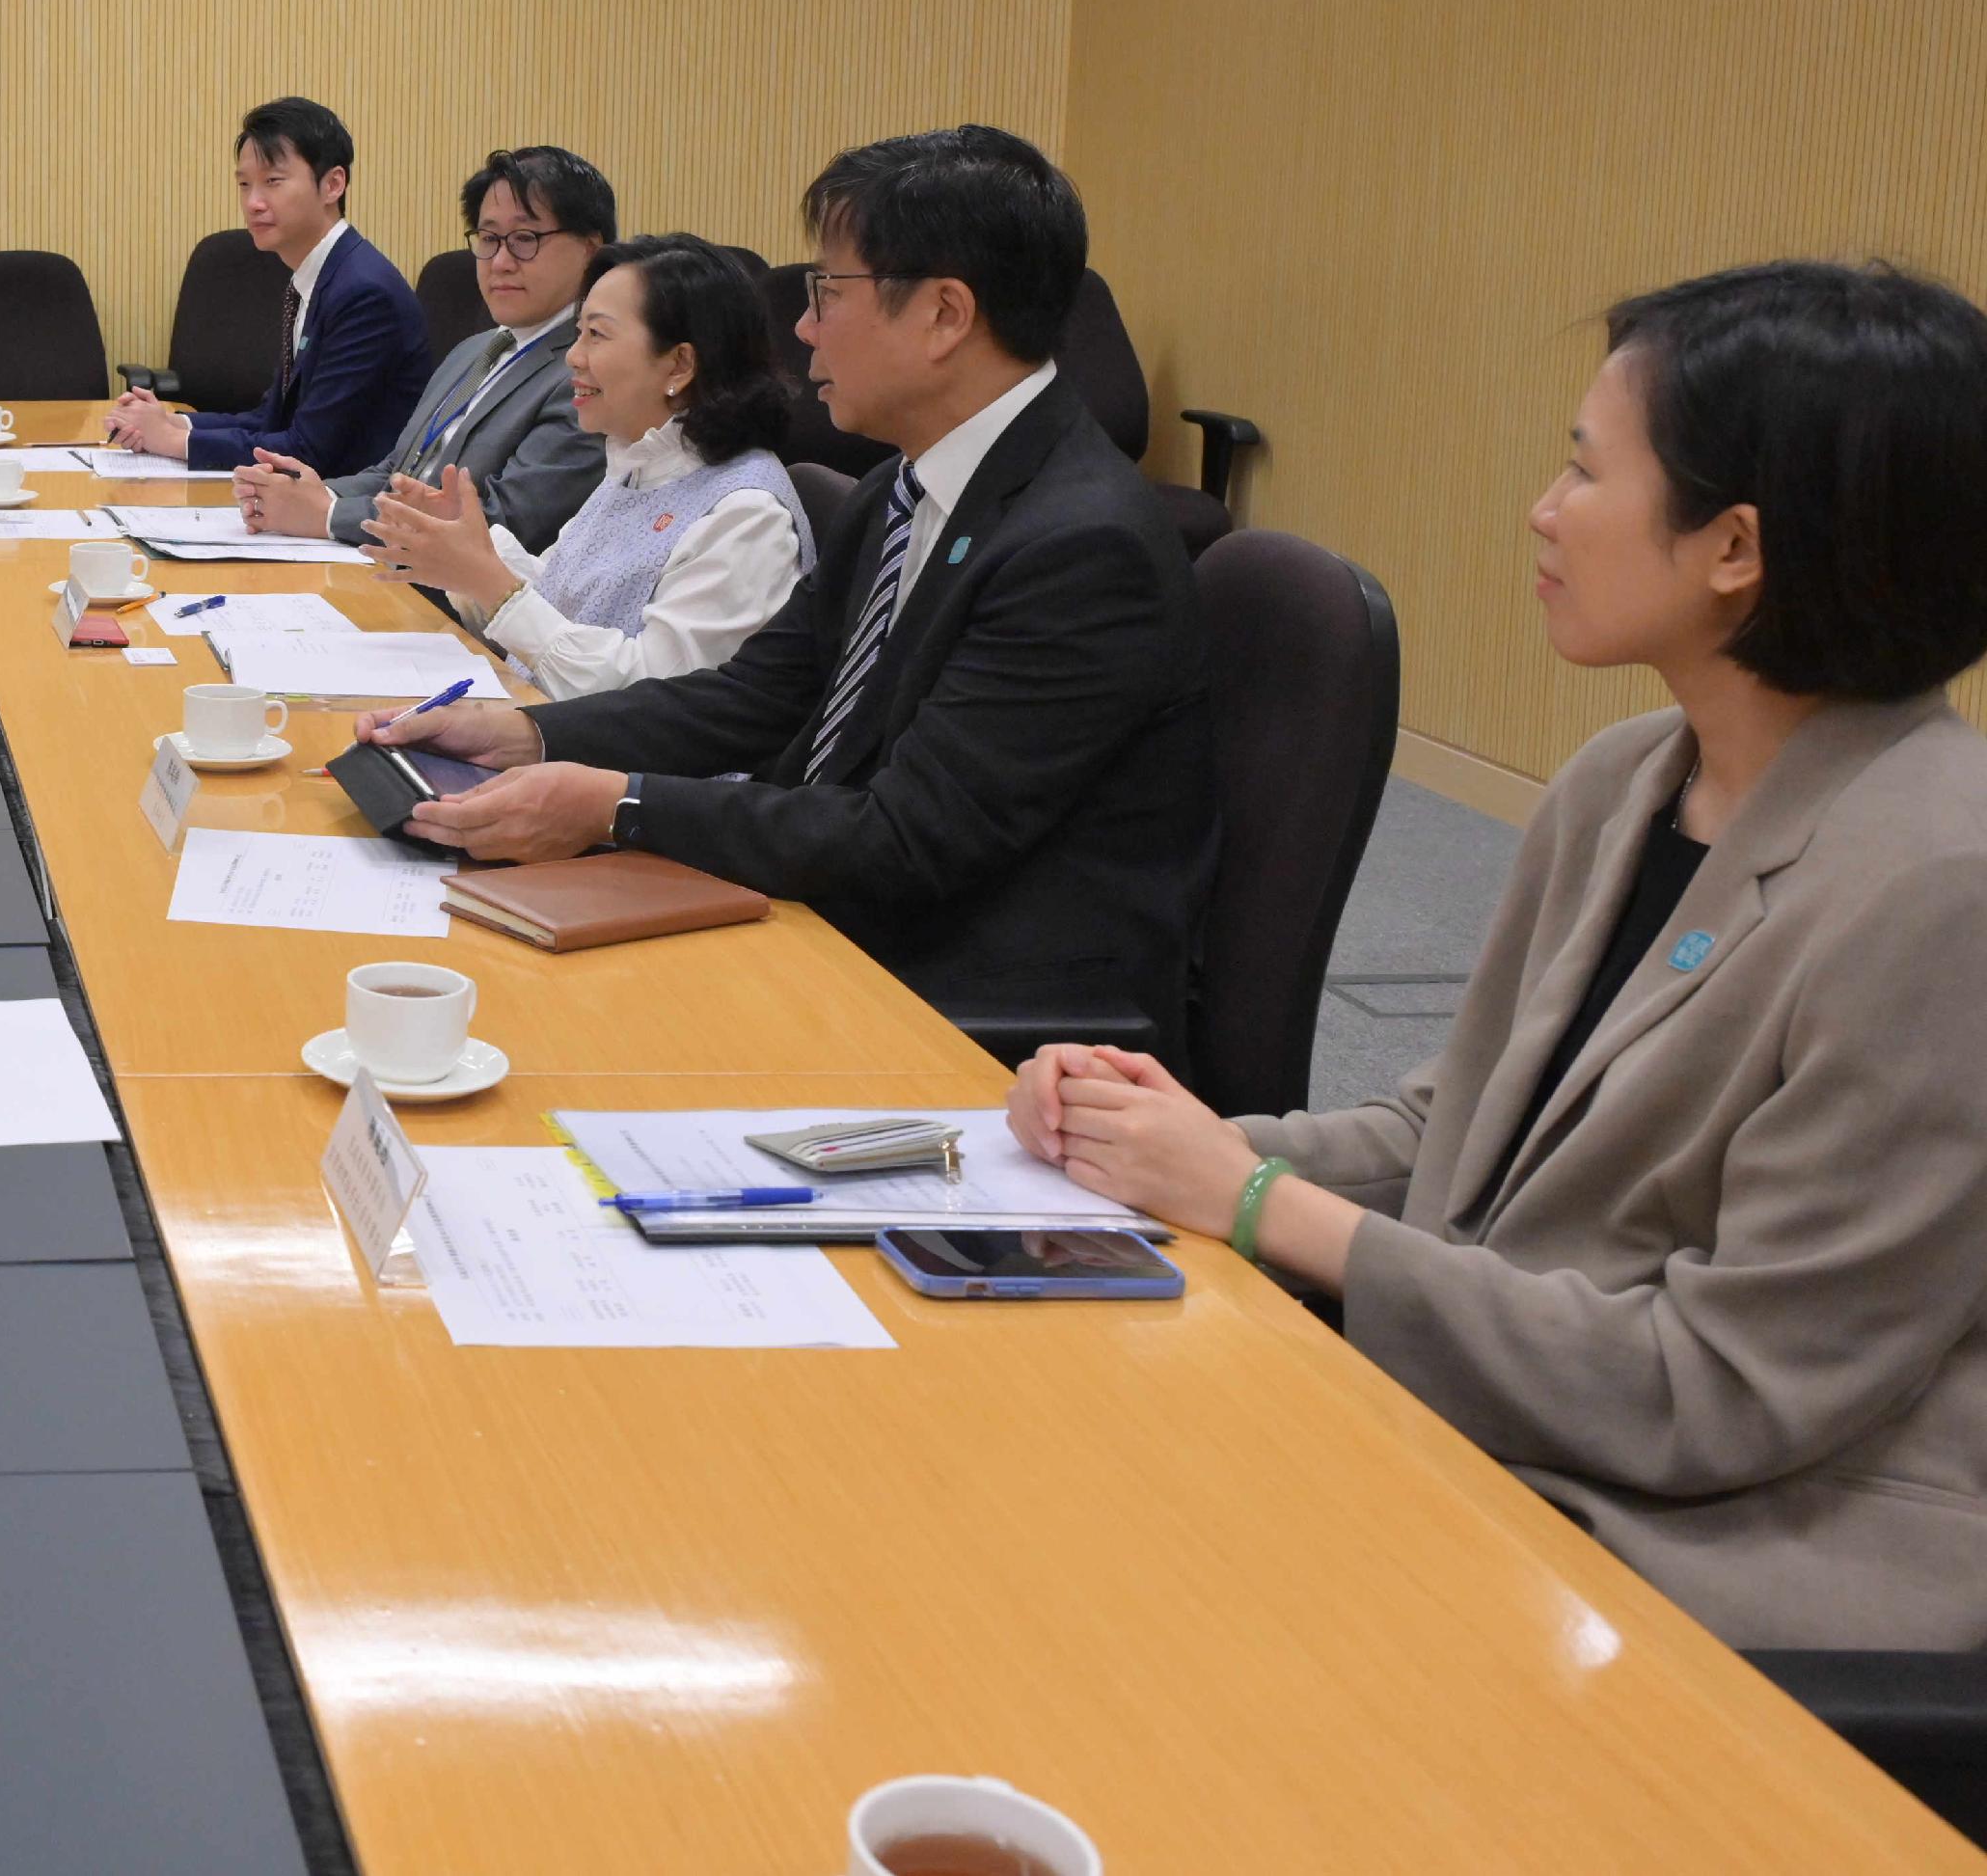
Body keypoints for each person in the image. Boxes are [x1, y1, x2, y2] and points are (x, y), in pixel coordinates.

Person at [1013, 261, 1987, 1649]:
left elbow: (1718, 1390)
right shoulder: (1627, 777)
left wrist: (1260, 1204)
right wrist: (1144, 1134)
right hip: (1514, 1416)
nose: (1543, 510)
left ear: (1735, 548)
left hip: (1734, 1541)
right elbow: (1455, 1127)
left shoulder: (1943, 887)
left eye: (1586, 473)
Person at [364, 126, 1211, 1058]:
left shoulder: (1080, 546)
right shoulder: (907, 485)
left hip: (968, 996)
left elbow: (906, 838)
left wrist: (615, 804)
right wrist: (531, 733)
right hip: (837, 906)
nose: (802, 328)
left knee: (522, 1035)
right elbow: (755, 696)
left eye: (826, 292)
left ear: (944, 314)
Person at [361, 238, 811, 697]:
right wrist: (469, 549)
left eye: (596, 335)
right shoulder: (637, 462)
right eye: (578, 333)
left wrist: (493, 585)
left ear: (679, 364)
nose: (573, 357)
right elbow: (559, 598)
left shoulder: (748, 517)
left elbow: (654, 696)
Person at [235, 144, 612, 553]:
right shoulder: (474, 350)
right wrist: (305, 493)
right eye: (488, 238)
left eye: (524, 238)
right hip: (381, 564)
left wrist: (327, 515)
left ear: (591, 250)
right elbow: (396, 471)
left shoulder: (588, 375)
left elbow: (507, 524)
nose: (499, 261)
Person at [102, 96, 429, 476]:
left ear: (333, 184)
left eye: (273, 182)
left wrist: (171, 442)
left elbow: (307, 449)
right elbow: (271, 419)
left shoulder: (364, 293)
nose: (253, 203)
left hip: (349, 516)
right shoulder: (317, 276)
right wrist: (174, 423)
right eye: (244, 184)